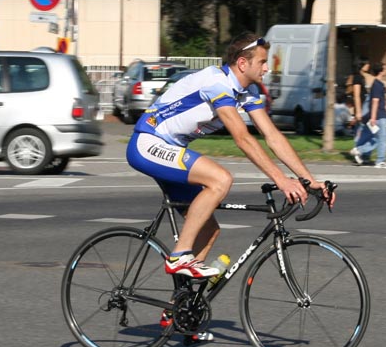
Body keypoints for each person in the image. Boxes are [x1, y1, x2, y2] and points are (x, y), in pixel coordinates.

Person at [127, 32, 335, 280]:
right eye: (262, 62)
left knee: (209, 229)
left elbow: (272, 136)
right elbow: (242, 138)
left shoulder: (246, 93)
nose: (267, 68)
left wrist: (309, 180)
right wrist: (281, 180)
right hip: (148, 142)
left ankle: (179, 309)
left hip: (172, 149)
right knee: (221, 179)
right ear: (243, 63)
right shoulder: (218, 83)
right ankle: (178, 257)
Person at [351, 62, 386, 168]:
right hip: (379, 117)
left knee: (378, 139)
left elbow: (383, 102)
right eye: (385, 69)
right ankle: (380, 161)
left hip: (381, 115)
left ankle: (359, 150)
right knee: (382, 139)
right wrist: (373, 117)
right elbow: (375, 101)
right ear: (380, 71)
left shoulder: (379, 84)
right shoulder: (376, 84)